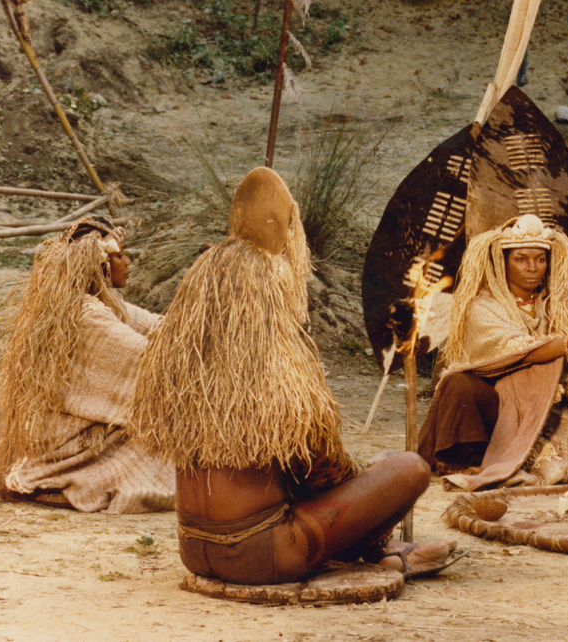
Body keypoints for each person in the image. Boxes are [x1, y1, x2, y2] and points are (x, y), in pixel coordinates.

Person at [129, 167, 461, 585]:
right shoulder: (277, 361)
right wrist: (371, 505)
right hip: (261, 552)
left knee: (365, 475)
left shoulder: (183, 357)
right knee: (409, 469)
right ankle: (382, 552)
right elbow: (319, 466)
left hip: (193, 549)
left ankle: (379, 548)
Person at [417, 214, 568, 490]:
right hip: (499, 407)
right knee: (458, 383)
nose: (532, 268)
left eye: (540, 259)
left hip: (550, 404)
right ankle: (472, 460)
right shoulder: (483, 307)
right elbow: (518, 351)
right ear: (503, 262)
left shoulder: (558, 305)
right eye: (521, 259)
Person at [0, 216, 174, 513]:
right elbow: (149, 363)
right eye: (120, 256)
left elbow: (157, 327)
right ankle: (70, 481)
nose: (128, 262)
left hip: (65, 435)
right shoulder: (85, 314)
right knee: (169, 449)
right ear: (101, 264)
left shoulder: (98, 302)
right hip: (64, 443)